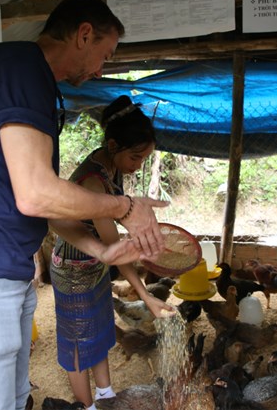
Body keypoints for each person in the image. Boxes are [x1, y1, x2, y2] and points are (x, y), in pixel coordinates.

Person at [0, 0, 167, 410]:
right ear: (84, 34)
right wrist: (125, 208)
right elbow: (36, 194)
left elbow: (43, 204)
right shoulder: (20, 68)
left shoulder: (36, 84)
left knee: (12, 401)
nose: (103, 68)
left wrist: (101, 249)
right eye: (105, 53)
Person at [50, 96, 174, 410]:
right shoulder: (94, 181)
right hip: (73, 269)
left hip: (96, 262)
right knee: (79, 344)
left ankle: (106, 396)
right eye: (135, 157)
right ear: (114, 145)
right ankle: (87, 406)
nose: (138, 165)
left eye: (144, 158)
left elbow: (113, 250)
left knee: (102, 330)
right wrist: (146, 297)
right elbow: (113, 249)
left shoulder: (110, 165)